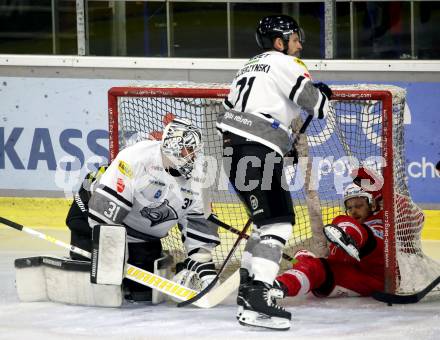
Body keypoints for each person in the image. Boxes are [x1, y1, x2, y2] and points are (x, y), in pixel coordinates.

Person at [216, 14, 333, 330]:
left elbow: (230, 110)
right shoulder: (285, 63)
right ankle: (258, 299)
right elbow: (315, 105)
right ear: (280, 42)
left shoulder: (247, 66)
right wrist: (321, 93)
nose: (299, 43)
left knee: (265, 222)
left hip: (232, 149)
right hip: (256, 148)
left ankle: (248, 289)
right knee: (279, 223)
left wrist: (278, 143)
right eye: (295, 38)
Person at [66, 118, 220, 301]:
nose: (193, 157)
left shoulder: (198, 176)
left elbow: (198, 220)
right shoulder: (136, 158)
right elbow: (102, 215)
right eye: (189, 150)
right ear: (173, 145)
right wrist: (114, 254)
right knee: (99, 289)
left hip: (142, 237)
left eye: (195, 151)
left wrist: (201, 259)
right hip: (91, 222)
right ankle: (83, 259)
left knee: (143, 295)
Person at [276, 182, 384, 300]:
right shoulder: (341, 231)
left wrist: (359, 176)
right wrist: (306, 260)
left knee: (342, 220)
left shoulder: (382, 219)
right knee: (314, 267)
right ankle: (280, 287)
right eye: (349, 208)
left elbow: (380, 186)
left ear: (372, 205)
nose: (354, 211)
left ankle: (350, 238)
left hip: (380, 272)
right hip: (362, 279)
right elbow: (336, 262)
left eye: (358, 206)